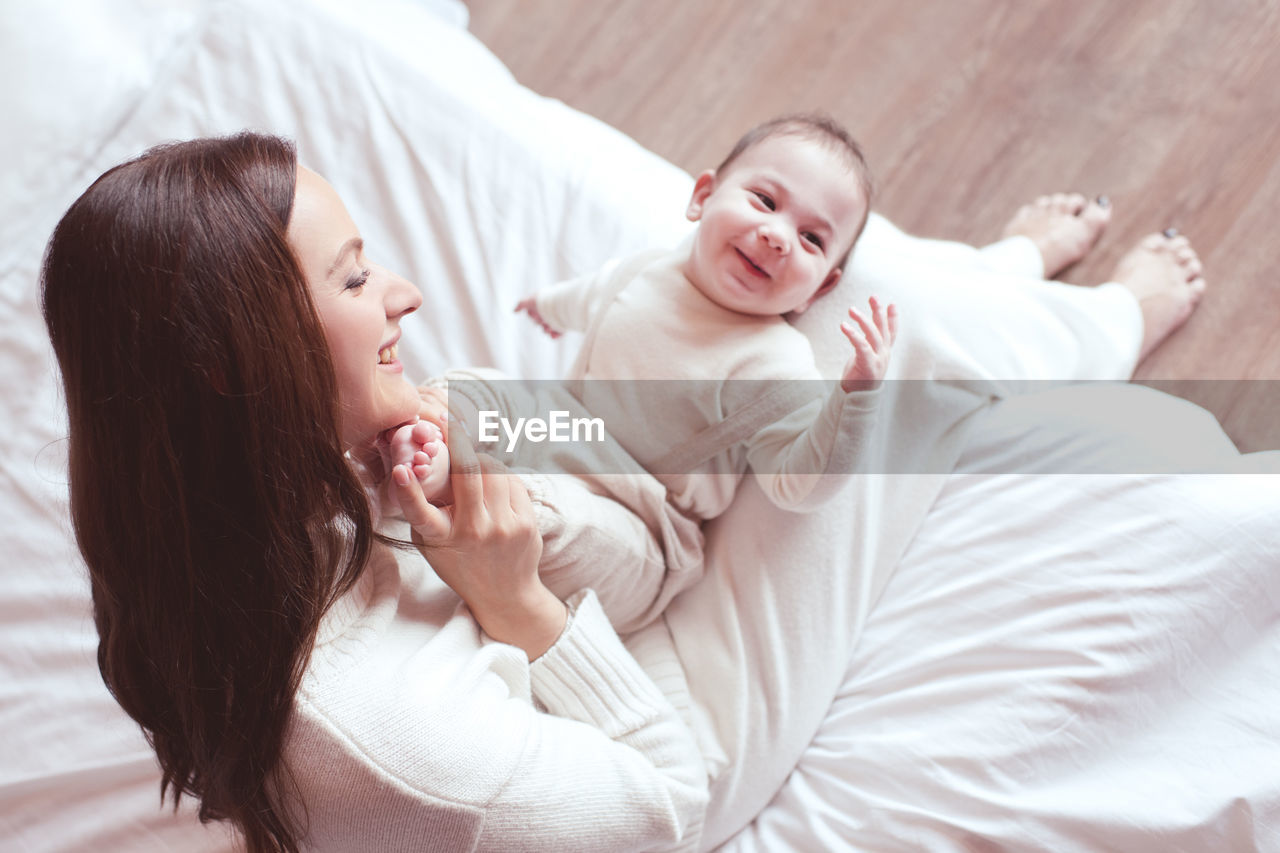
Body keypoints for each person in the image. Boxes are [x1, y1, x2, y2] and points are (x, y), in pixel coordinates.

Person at [40, 130, 1227, 853]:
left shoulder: (189, 488)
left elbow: (578, 472)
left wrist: (521, 492)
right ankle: (1086, 317)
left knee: (763, 329)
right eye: (355, 279)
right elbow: (662, 803)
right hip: (658, 721)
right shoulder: (398, 744)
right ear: (230, 365)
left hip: (560, 562)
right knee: (908, 342)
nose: (403, 293)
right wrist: (517, 604)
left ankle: (993, 270)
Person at [515, 114, 899, 521]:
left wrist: (855, 397)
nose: (779, 237)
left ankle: (507, 518)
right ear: (703, 196)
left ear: (820, 289)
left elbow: (799, 486)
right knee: (469, 392)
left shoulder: (774, 364)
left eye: (812, 239)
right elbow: (590, 295)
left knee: (555, 517)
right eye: (766, 201)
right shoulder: (642, 271)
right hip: (552, 444)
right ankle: (454, 467)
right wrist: (546, 305)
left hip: (638, 519)